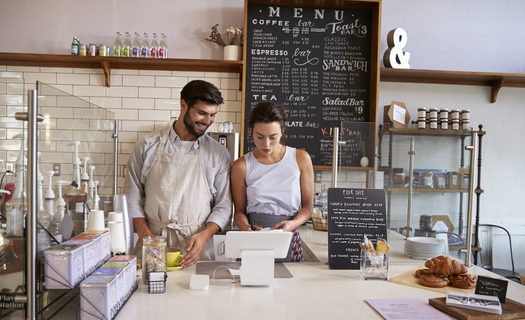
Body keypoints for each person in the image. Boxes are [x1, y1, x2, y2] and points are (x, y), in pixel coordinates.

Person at [126, 80, 232, 267]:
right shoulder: (146, 145)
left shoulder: (219, 154)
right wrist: (146, 236)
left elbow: (224, 205)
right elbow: (132, 195)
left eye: (212, 115)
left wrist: (204, 236)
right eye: (202, 113)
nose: (207, 121)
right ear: (183, 105)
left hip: (196, 249)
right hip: (153, 243)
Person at [231, 101, 314, 262]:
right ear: (252, 132)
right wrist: (248, 231)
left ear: (282, 132)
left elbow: (308, 207)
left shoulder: (301, 158)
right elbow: (239, 212)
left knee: (289, 285)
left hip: (288, 236)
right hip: (253, 238)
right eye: (259, 137)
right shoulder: (241, 165)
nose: (266, 144)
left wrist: (292, 224)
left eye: (273, 137)